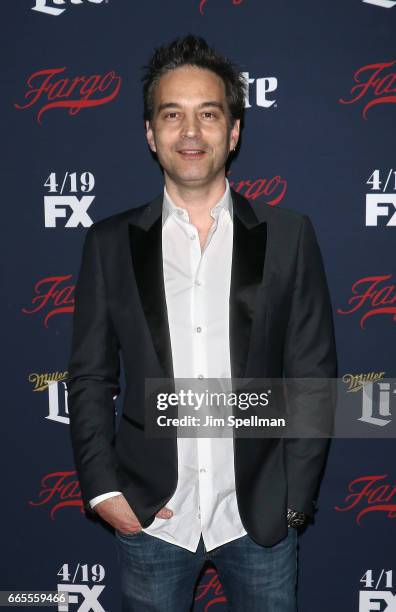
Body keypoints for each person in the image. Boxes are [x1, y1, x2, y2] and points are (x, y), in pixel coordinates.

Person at [67, 35, 337, 611]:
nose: (190, 132)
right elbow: (90, 376)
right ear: (150, 133)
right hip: (153, 519)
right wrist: (104, 489)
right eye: (172, 115)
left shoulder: (290, 237)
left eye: (208, 114)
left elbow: (313, 374)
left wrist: (294, 503)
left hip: (260, 519)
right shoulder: (110, 244)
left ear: (233, 131)